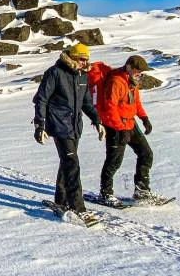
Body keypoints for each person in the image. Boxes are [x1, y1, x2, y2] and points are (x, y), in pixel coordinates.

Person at [33, 43, 105, 224]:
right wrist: (40, 125)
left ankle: (61, 200)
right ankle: (78, 208)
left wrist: (97, 121)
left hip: (75, 126)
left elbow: (87, 102)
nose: (84, 62)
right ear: (72, 57)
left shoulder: (82, 75)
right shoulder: (55, 72)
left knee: (67, 163)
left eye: (86, 59)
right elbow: (41, 99)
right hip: (59, 125)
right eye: (81, 59)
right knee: (72, 164)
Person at [98, 55, 162, 204]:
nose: (139, 74)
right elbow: (110, 107)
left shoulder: (132, 82)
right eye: (137, 71)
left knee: (146, 153)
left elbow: (135, 102)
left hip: (131, 124)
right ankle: (105, 193)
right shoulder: (116, 81)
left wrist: (144, 118)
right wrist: (120, 129)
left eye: (141, 72)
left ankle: (142, 190)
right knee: (114, 161)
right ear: (128, 67)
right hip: (115, 126)